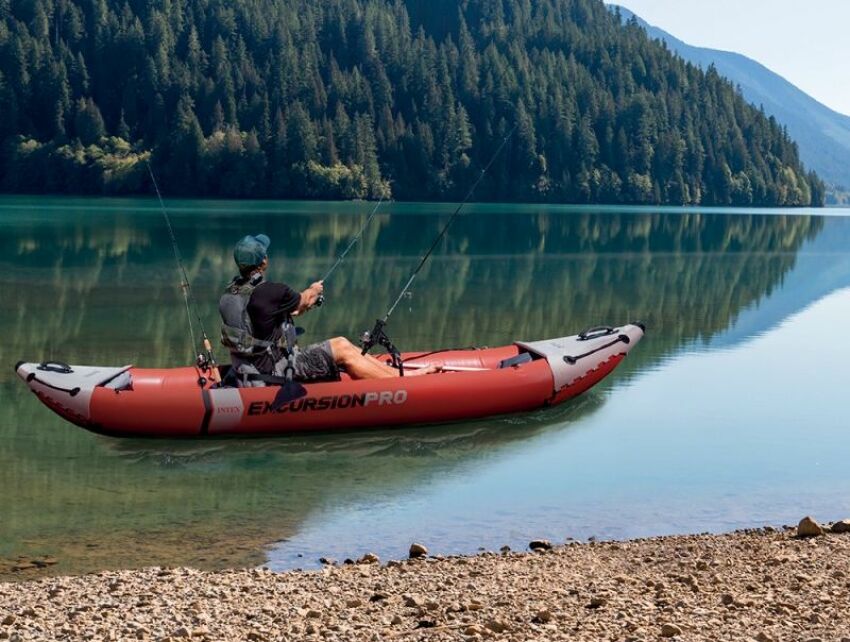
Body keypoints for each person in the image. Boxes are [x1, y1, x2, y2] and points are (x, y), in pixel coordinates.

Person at [219, 233, 439, 386]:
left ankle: (399, 376)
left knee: (343, 344)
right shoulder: (273, 291)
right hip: (277, 370)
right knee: (342, 347)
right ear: (263, 262)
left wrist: (307, 302)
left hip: (249, 369)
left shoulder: (230, 295)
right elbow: (303, 301)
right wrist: (314, 290)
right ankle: (404, 385)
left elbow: (286, 313)